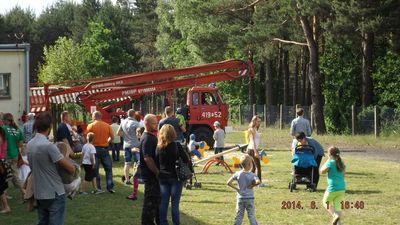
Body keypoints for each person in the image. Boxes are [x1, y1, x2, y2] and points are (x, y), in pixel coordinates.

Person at [27, 112, 76, 225]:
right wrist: (67, 154)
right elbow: (71, 169)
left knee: (42, 221)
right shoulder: (49, 146)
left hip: (39, 192)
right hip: (54, 192)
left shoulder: (30, 144)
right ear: (49, 127)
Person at [156, 124, 189, 225]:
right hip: (175, 177)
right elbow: (186, 159)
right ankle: (176, 223)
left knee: (164, 203)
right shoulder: (176, 145)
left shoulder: (158, 147)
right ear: (173, 133)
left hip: (162, 177)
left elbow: (156, 161)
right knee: (175, 204)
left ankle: (163, 223)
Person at [86, 111, 115, 194]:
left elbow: (87, 139)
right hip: (104, 149)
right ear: (100, 116)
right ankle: (110, 187)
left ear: (94, 117)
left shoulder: (90, 126)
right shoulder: (107, 125)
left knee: (96, 169)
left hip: (94, 149)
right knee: (108, 169)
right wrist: (107, 142)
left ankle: (98, 188)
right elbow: (112, 137)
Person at [227, 155, 260, 225]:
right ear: (249, 164)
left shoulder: (237, 174)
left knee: (239, 216)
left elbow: (228, 183)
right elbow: (258, 182)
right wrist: (252, 185)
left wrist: (237, 189)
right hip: (250, 198)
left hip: (240, 198)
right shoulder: (253, 175)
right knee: (251, 216)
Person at [140, 114, 160, 225]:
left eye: (157, 122)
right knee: (150, 203)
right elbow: (148, 158)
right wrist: (157, 172)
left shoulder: (150, 136)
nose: (156, 124)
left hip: (152, 175)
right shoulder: (147, 138)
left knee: (155, 202)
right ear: (147, 124)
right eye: (154, 123)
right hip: (151, 175)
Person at [320, 146, 346, 225]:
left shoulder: (330, 162)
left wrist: (327, 160)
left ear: (330, 154)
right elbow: (343, 175)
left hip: (333, 188)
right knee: (337, 206)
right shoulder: (342, 163)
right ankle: (339, 223)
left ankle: (334, 215)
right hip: (341, 188)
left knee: (325, 202)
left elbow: (321, 171)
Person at [1, 113, 25, 196]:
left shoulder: (3, 128)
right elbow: (21, 144)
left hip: (5, 156)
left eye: (2, 120)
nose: (2, 121)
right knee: (12, 175)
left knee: (7, 176)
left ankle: (25, 193)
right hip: (14, 155)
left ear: (5, 120)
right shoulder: (18, 129)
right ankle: (5, 195)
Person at [118, 109, 140, 185]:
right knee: (138, 162)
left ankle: (127, 179)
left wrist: (125, 136)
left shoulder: (123, 122)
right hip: (135, 145)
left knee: (127, 163)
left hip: (126, 145)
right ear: (134, 114)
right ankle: (134, 177)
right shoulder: (136, 123)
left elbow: (118, 133)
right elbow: (138, 135)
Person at [126, 127, 145, 200]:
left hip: (141, 164)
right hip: (140, 163)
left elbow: (143, 153)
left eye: (138, 133)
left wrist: (136, 150)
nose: (136, 134)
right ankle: (134, 194)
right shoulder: (141, 141)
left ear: (141, 133)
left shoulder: (143, 141)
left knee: (135, 177)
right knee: (135, 178)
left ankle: (134, 194)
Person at [246, 115, 264, 186]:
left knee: (253, 168)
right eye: (257, 121)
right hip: (252, 149)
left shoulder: (256, 129)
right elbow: (252, 141)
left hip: (252, 149)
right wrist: (256, 152)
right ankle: (259, 183)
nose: (259, 123)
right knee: (258, 167)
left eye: (260, 121)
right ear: (254, 121)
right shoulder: (252, 129)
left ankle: (249, 181)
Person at [0, 127, 11, 213]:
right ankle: (3, 206)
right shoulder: (3, 138)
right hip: (2, 161)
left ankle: (6, 207)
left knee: (0, 187)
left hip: (1, 163)